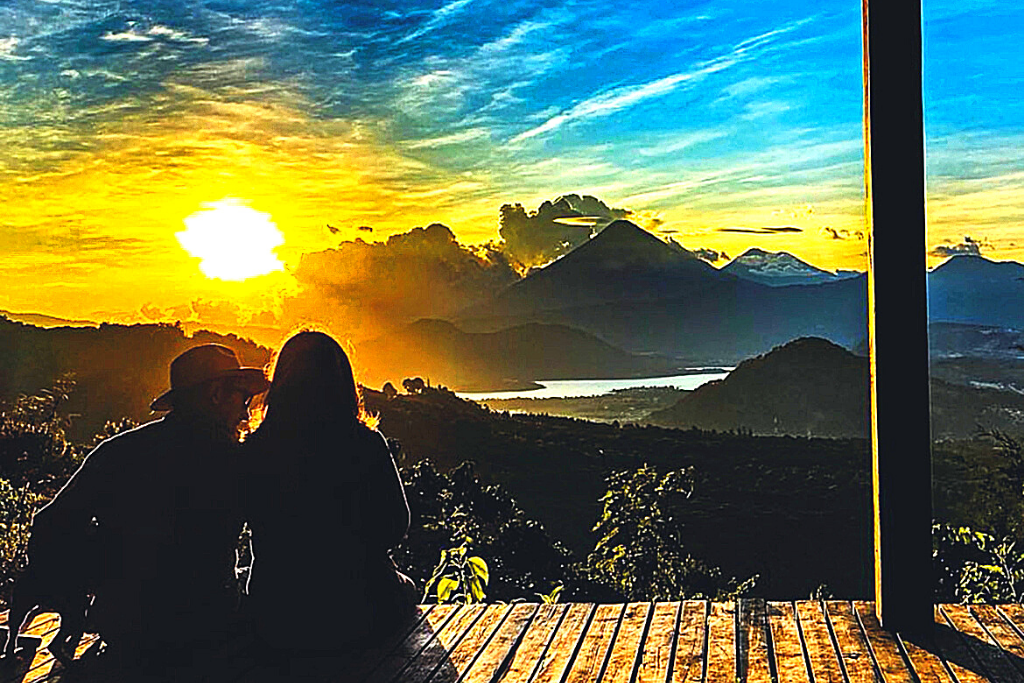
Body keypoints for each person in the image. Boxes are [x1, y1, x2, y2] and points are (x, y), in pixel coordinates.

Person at [36, 344, 269, 673]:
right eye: (243, 399)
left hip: (125, 633)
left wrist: (78, 599)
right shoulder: (236, 463)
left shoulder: (118, 452)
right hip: (210, 633)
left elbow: (50, 523)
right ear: (216, 395)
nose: (246, 414)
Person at [242, 330, 417, 655]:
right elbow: (396, 525)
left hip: (277, 614)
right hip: (363, 608)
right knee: (407, 588)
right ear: (343, 383)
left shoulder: (254, 449)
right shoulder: (365, 444)